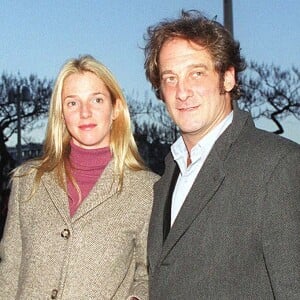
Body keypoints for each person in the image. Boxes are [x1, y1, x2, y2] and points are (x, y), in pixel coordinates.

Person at [143, 10, 300, 299]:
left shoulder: (279, 165)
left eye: (197, 73)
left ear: (227, 78)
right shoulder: (167, 176)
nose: (182, 91)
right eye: (170, 78)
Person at [0, 55, 158, 300]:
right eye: (72, 103)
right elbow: (9, 269)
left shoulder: (147, 189)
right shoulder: (28, 180)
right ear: (61, 113)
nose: (85, 112)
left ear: (116, 108)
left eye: (97, 99)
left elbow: (148, 272)